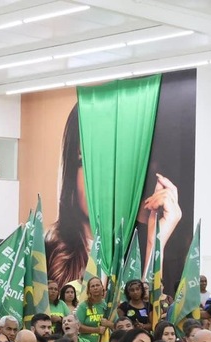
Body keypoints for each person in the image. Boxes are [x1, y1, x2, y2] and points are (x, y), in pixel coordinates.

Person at [45, 104, 182, 287]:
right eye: (84, 162)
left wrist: (154, 243)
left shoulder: (159, 250)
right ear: (69, 172)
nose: (101, 179)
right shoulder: (47, 252)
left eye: (115, 162)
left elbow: (147, 307)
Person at [77, 277, 113, 342]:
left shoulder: (108, 306)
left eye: (97, 285)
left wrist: (109, 324)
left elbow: (118, 325)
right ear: (89, 290)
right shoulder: (83, 306)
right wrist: (96, 330)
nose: (95, 288)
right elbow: (78, 326)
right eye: (92, 286)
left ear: (102, 287)